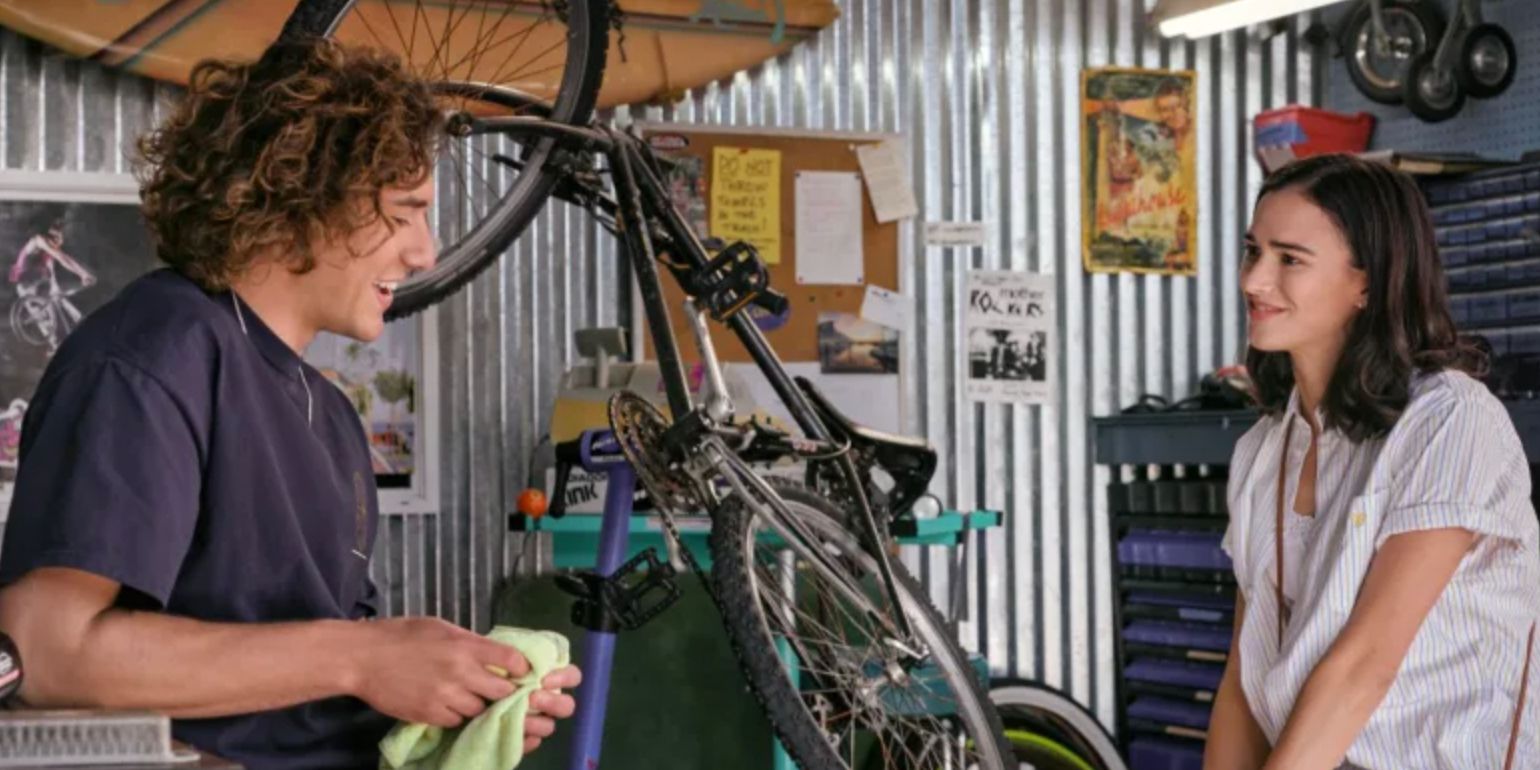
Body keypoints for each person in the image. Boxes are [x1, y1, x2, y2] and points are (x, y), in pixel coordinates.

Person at [0, 38, 580, 770]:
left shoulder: (329, 414)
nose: (426, 254)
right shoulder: (154, 356)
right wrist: (364, 657)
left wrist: (452, 699)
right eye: (406, 213)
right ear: (303, 198)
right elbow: (47, 654)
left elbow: (313, 684)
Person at [1203, 153, 1539, 770]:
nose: (1254, 280)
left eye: (1289, 259)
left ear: (1367, 282)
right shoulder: (1262, 451)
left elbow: (1366, 666)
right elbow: (1243, 680)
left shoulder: (1449, 420)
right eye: (1254, 251)